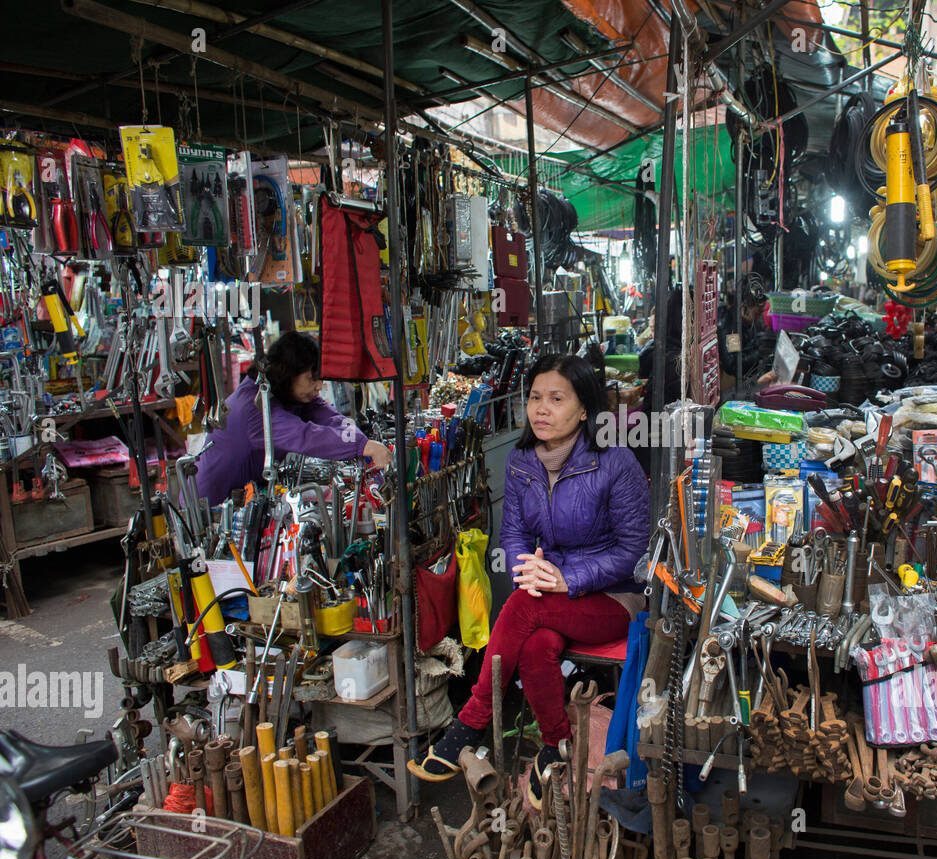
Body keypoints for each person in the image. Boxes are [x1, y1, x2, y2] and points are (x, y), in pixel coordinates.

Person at [408, 353, 650, 807]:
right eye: (535, 397)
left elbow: (634, 553)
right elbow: (516, 531)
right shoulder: (522, 461)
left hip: (616, 597)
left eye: (556, 398)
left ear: (584, 409)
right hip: (551, 591)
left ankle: (473, 718)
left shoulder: (617, 463)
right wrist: (528, 568)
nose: (541, 408)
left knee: (526, 607)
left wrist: (566, 578)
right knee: (536, 643)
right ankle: (555, 744)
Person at [196, 330, 392, 503]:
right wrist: (363, 446)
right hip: (209, 505)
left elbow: (328, 416)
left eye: (320, 378)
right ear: (288, 373)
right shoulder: (256, 406)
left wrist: (363, 442)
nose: (319, 386)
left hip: (243, 498)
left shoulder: (288, 394)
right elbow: (306, 437)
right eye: (311, 378)